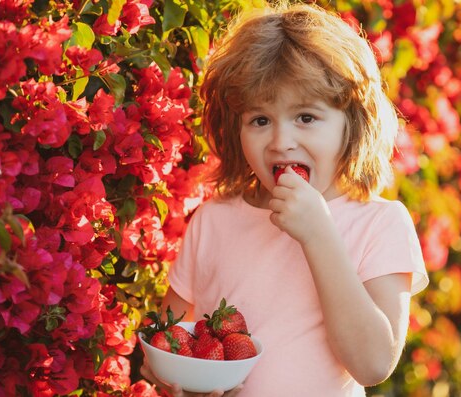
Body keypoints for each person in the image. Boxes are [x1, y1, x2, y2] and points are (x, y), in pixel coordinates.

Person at [140, 2, 428, 396]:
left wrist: (318, 235)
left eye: (306, 117)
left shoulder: (379, 224)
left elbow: (373, 363)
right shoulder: (213, 220)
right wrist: (172, 377)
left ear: (353, 124)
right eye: (260, 120)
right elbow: (167, 340)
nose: (281, 142)